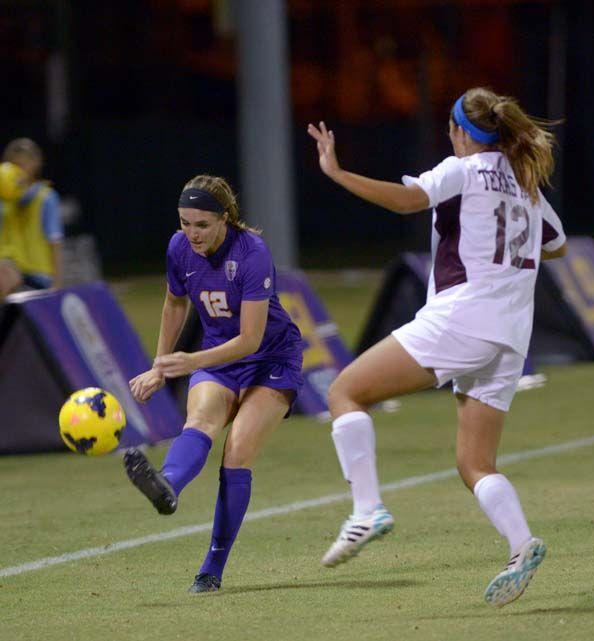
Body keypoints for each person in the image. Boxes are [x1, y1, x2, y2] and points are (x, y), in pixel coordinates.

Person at [307, 86, 566, 607]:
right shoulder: (526, 183)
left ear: (455, 131)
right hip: (511, 336)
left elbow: (406, 201)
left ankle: (367, 509)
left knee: (344, 392)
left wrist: (336, 173)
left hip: (462, 320)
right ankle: (521, 544)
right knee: (475, 463)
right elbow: (556, 245)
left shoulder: (461, 171)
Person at [123, 174, 303, 594]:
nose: (192, 234)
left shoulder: (252, 253)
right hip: (219, 356)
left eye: (201, 224)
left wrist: (189, 361)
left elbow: (251, 339)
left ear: (225, 218)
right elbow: (174, 302)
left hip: (271, 359)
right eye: (185, 222)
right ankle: (167, 485)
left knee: (237, 451)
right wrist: (159, 365)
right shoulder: (178, 248)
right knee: (201, 418)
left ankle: (212, 569)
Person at [0, 138, 63, 300]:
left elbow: (55, 242)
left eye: (22, 165)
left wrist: (57, 284)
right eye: (13, 166)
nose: (18, 171)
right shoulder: (4, 202)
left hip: (38, 278)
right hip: (12, 272)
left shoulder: (46, 198)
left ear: (35, 164)